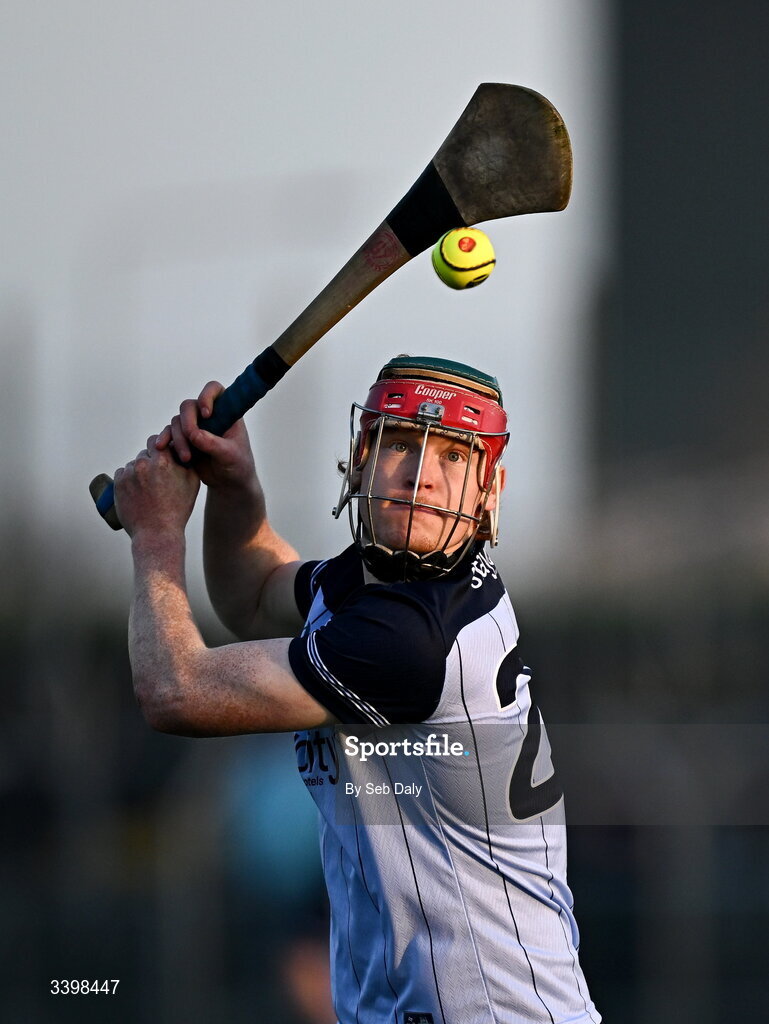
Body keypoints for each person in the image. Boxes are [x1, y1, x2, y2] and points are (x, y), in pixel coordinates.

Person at [114, 354, 601, 1024]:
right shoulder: (376, 589)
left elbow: (173, 691)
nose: (421, 472)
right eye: (399, 442)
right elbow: (255, 596)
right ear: (360, 460)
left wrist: (156, 534)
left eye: (454, 456)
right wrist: (236, 490)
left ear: (489, 489)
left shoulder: (416, 639)